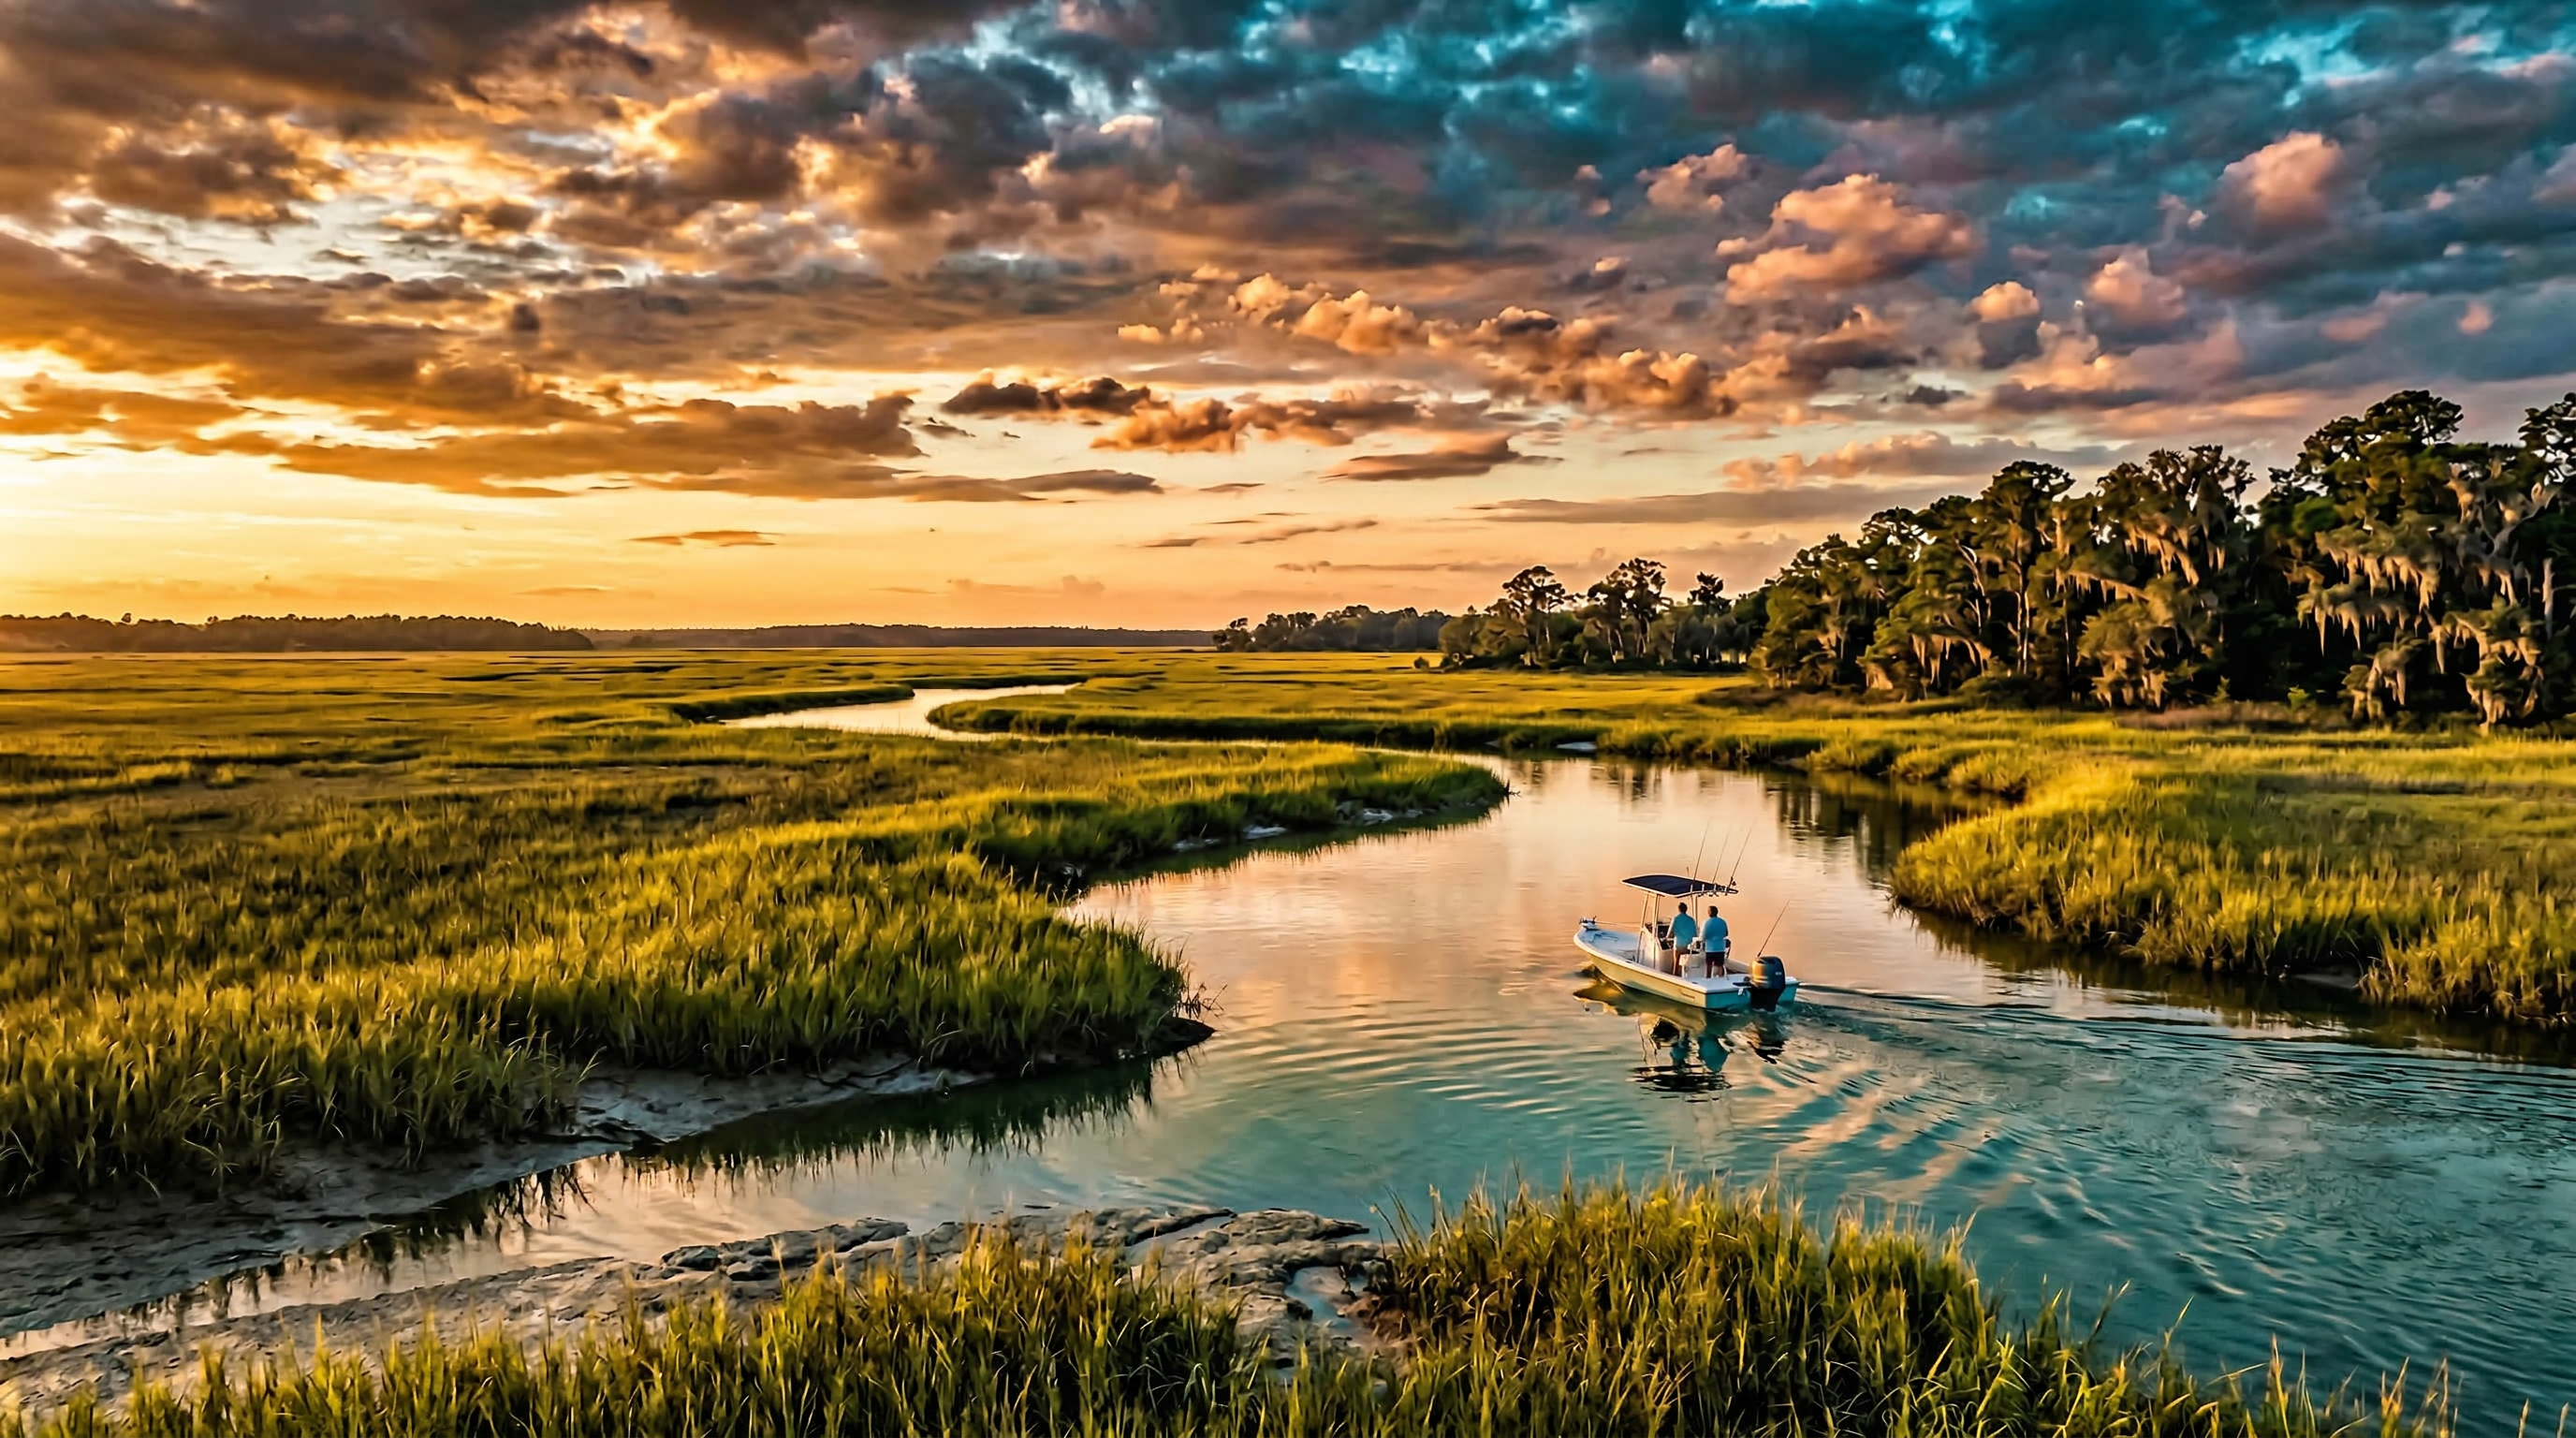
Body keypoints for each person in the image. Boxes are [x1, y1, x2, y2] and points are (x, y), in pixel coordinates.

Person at [1701, 902, 1732, 976]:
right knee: (1719, 967)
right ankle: (1720, 981)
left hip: (1710, 949)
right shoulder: (1722, 921)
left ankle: (1708, 981)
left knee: (1709, 967)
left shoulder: (1707, 923)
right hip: (1720, 948)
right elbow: (1726, 933)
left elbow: (1703, 937)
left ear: (1709, 913)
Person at [1668, 902, 1699, 974]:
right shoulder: (1691, 920)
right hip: (1688, 946)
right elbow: (1695, 934)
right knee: (1685, 963)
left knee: (1676, 962)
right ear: (1686, 909)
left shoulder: (1676, 919)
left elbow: (1670, 933)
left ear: (1679, 909)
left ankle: (1675, 975)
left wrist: (1667, 938)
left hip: (1679, 945)